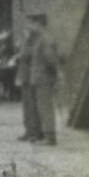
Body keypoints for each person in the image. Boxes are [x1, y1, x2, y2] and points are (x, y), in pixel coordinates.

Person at [28, 13, 59, 145]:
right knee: (41, 107)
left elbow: (50, 59)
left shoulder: (45, 38)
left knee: (45, 107)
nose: (29, 26)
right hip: (39, 78)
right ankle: (45, 135)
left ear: (38, 24)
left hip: (44, 78)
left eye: (31, 23)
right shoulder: (39, 38)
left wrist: (54, 75)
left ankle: (50, 137)